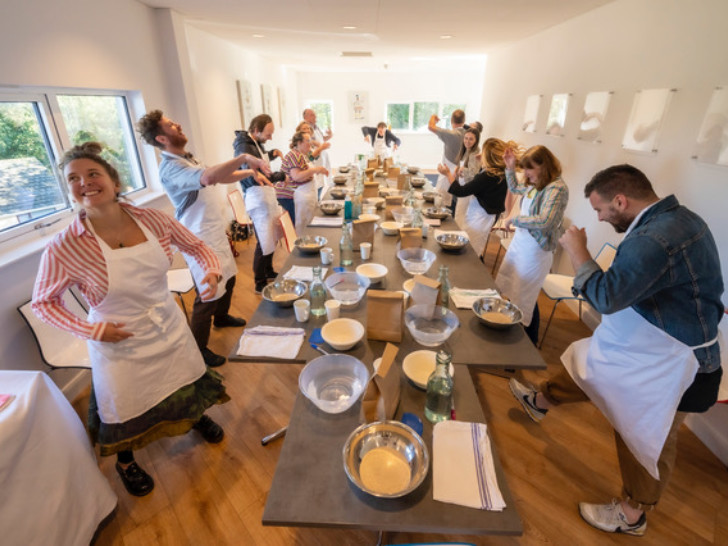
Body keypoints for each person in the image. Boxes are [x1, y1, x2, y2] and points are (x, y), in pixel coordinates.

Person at [509, 164, 724, 536]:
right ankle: (540, 401)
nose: (600, 217)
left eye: (601, 210)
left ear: (620, 200)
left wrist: (578, 251)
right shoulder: (679, 218)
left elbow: (605, 297)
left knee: (643, 434)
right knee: (591, 362)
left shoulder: (655, 238)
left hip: (678, 363)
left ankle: (632, 514)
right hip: (654, 341)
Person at [31, 142, 231, 497]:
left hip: (166, 321)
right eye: (73, 178)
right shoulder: (65, 246)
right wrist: (90, 329)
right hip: (115, 338)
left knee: (184, 375)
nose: (85, 183)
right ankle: (126, 461)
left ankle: (194, 416)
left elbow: (197, 247)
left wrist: (210, 272)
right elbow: (44, 303)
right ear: (68, 190)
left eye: (93, 174)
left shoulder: (152, 219)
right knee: (124, 402)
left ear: (114, 181)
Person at [137, 110, 270, 366]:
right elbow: (208, 177)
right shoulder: (170, 168)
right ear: (162, 139)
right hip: (197, 238)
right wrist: (244, 158)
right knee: (207, 294)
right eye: (170, 124)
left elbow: (218, 176)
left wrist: (249, 173)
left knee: (229, 277)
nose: (177, 123)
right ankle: (198, 351)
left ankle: (222, 318)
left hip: (213, 231)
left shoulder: (187, 158)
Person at [495, 145, 568, 345]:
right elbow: (515, 188)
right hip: (521, 244)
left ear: (544, 166)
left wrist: (514, 220)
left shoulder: (557, 189)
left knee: (525, 298)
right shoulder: (535, 182)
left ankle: (526, 343)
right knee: (515, 290)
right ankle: (518, 336)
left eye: (530, 168)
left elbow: (546, 221)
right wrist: (510, 167)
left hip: (535, 250)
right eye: (524, 168)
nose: (526, 173)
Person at [233, 114, 288, 293]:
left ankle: (269, 270)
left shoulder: (254, 143)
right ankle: (259, 281)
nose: (270, 137)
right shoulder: (243, 146)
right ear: (256, 130)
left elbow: (262, 160)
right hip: (257, 197)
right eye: (268, 133)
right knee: (264, 239)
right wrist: (281, 176)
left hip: (266, 196)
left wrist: (272, 154)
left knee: (271, 236)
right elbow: (258, 176)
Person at [437, 137, 518, 258]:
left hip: (481, 218)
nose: (480, 154)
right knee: (474, 246)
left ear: (489, 157)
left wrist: (448, 174)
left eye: (483, 152)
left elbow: (461, 191)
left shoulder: (488, 175)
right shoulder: (502, 172)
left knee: (470, 249)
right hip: (486, 215)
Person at [279, 130, 329, 234]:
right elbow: (296, 176)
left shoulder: (302, 154)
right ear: (299, 143)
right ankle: (298, 247)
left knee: (304, 224)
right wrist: (315, 170)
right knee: (299, 226)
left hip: (301, 194)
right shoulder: (294, 155)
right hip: (289, 196)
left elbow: (303, 173)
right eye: (307, 140)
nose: (310, 143)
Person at [429, 109, 467, 210]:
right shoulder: (469, 135)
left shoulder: (451, 134)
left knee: (442, 206)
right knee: (456, 205)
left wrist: (433, 117)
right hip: (463, 176)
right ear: (464, 121)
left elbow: (431, 127)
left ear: (451, 121)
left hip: (448, 173)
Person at [449, 126, 481, 227]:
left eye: (471, 139)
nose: (467, 141)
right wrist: (457, 169)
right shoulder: (467, 150)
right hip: (462, 184)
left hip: (468, 188)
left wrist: (462, 170)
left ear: (476, 140)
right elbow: (462, 164)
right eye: (466, 138)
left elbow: (474, 174)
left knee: (461, 214)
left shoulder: (475, 154)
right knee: (458, 212)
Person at [303, 108, 332, 196]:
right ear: (305, 117)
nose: (315, 116)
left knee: (321, 181)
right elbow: (310, 156)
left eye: (315, 114)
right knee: (317, 182)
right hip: (314, 159)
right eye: (312, 115)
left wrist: (330, 135)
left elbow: (322, 139)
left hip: (320, 156)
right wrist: (320, 147)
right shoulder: (304, 133)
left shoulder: (316, 127)